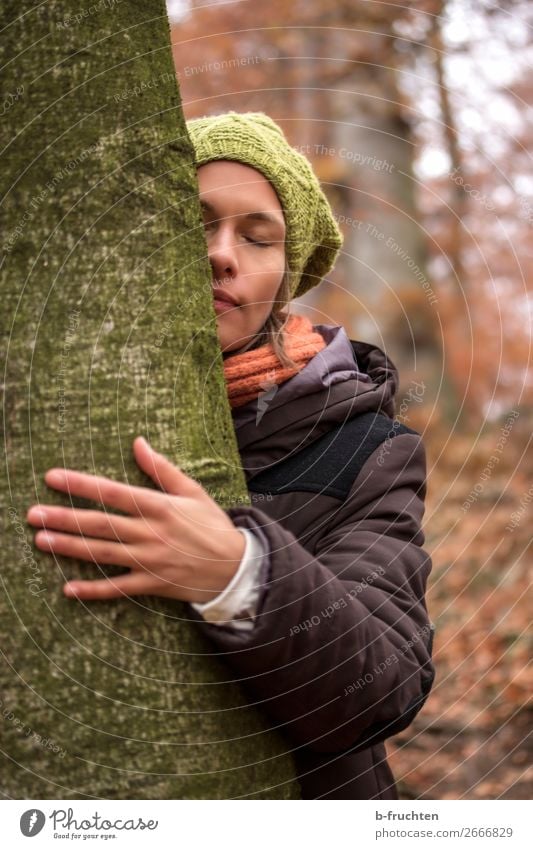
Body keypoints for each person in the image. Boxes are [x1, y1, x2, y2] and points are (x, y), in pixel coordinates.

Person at [26, 112, 435, 800]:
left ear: (283, 273)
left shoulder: (365, 448)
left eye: (257, 236)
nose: (221, 253)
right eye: (194, 221)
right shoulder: (35, 405)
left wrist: (239, 573)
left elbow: (382, 691)